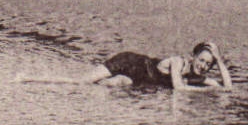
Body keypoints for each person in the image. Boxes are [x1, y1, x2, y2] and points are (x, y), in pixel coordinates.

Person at [85, 42, 233, 90]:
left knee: (103, 86)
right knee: (82, 82)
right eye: (201, 60)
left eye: (208, 64)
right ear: (193, 57)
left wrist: (219, 60)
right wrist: (204, 92)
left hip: (137, 80)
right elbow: (179, 88)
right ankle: (61, 81)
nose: (203, 66)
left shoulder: (196, 78)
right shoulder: (178, 62)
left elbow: (228, 87)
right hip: (129, 62)